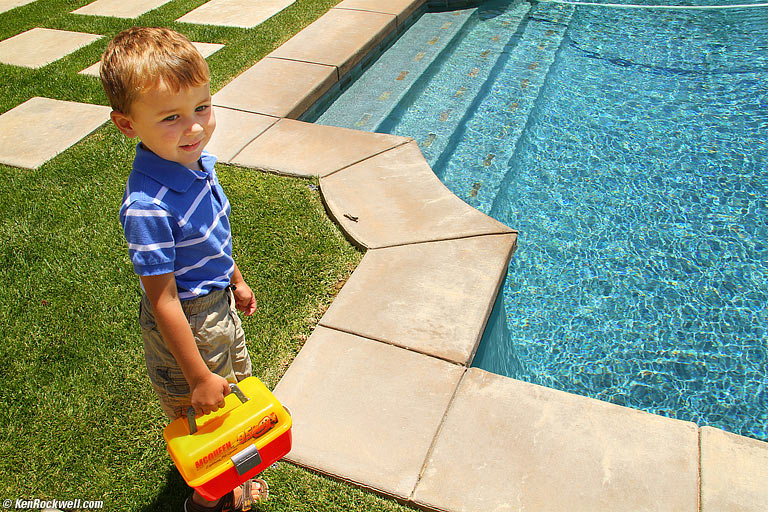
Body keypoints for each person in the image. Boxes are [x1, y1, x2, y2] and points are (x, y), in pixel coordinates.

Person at [100, 26, 267, 511]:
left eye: (202, 107)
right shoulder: (148, 207)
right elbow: (163, 299)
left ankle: (232, 469)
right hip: (188, 321)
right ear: (127, 125)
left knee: (232, 390)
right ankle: (206, 498)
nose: (194, 127)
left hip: (217, 306)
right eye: (171, 117)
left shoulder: (197, 165)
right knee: (202, 411)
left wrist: (235, 278)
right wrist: (195, 376)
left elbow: (215, 237)